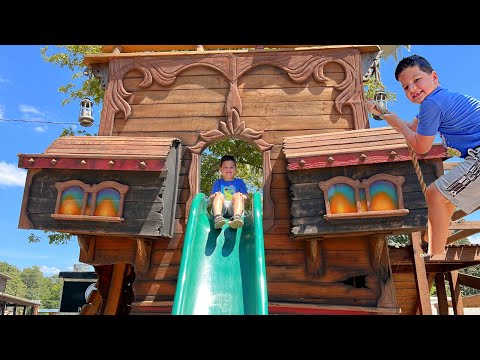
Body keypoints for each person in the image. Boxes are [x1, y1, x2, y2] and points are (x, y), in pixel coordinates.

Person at [366, 54, 480, 259]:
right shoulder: (435, 102)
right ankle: (436, 244)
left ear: (434, 77)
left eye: (417, 80)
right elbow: (413, 128)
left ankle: (436, 252)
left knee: (434, 194)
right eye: (406, 87)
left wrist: (398, 125)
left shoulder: (432, 104)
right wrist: (382, 113)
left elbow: (421, 146)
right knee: (445, 198)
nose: (412, 88)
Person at [209, 155, 248, 229]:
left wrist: (242, 196)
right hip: (221, 208)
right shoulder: (218, 182)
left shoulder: (239, 182)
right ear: (220, 169)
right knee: (219, 196)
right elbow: (211, 198)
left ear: (235, 169)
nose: (228, 169)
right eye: (225, 167)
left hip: (234, 208)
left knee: (237, 196)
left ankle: (236, 218)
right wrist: (215, 196)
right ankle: (218, 217)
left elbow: (246, 197)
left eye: (231, 167)